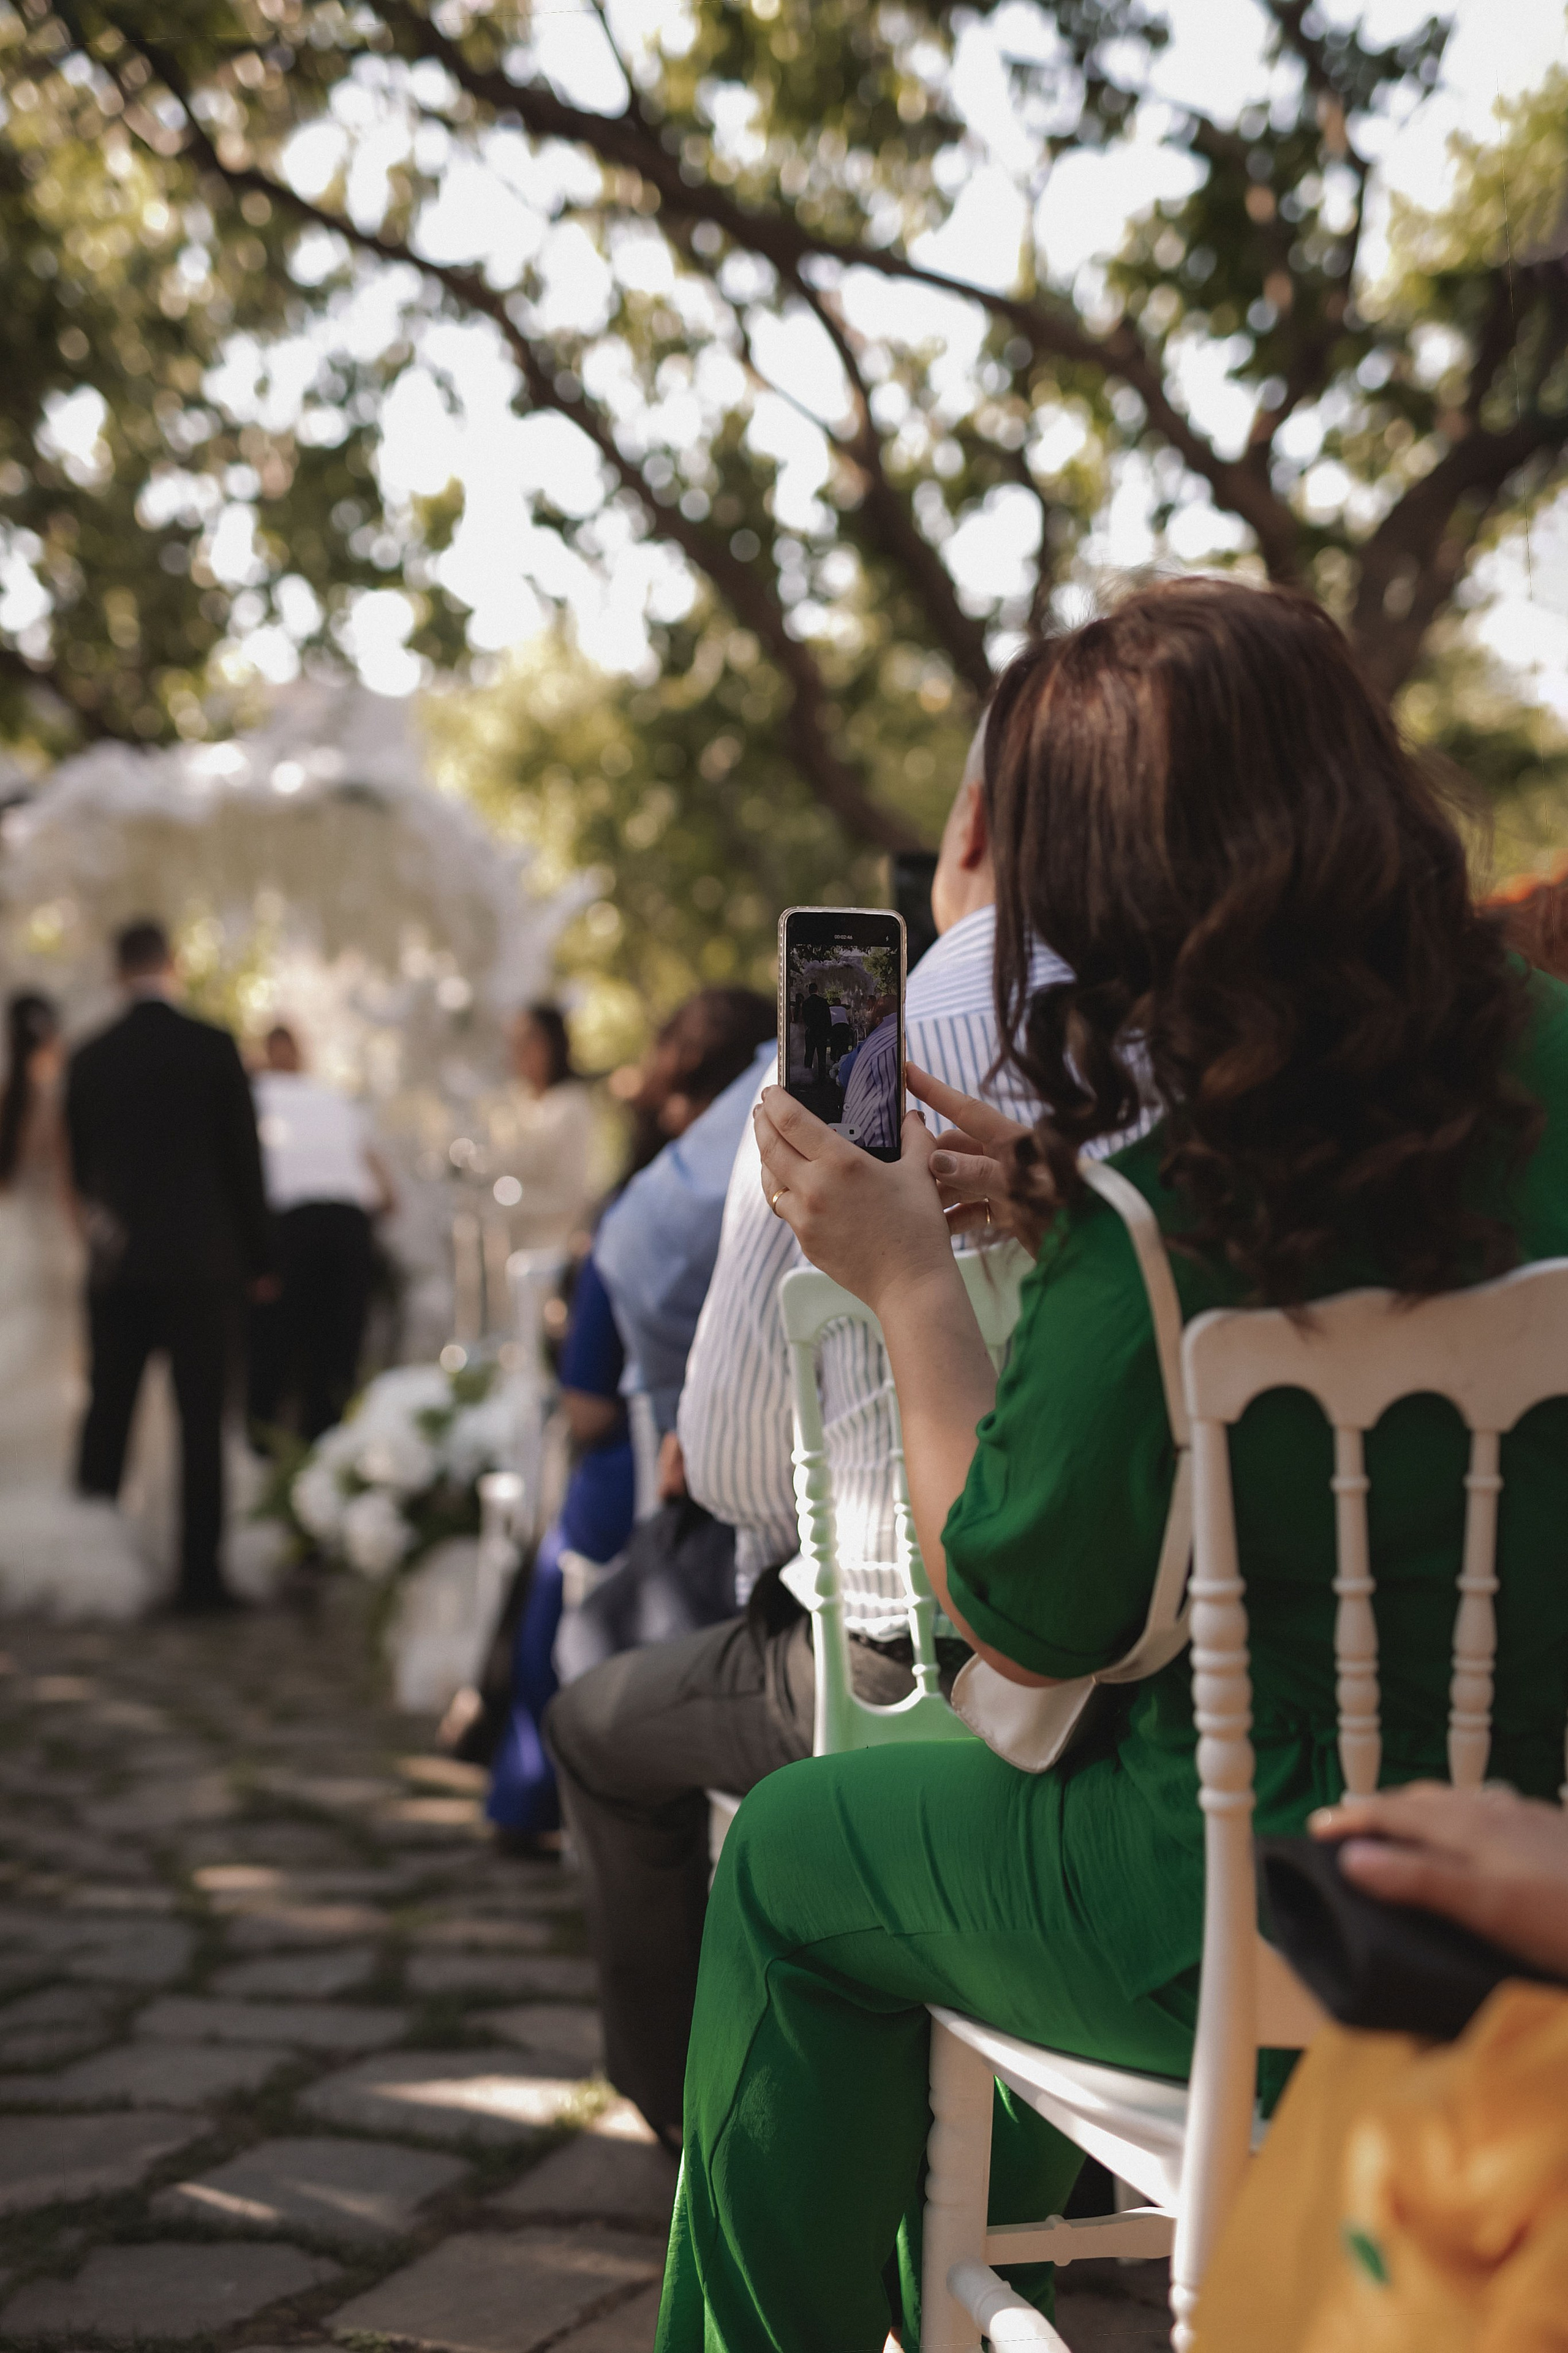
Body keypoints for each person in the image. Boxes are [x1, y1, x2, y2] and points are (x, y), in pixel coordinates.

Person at [656, 578, 1568, 2352]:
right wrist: (1075, 1215)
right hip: (1533, 1848)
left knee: (785, 1850)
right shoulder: (1521, 1063)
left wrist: (917, 1276)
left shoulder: (1180, 1184)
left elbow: (1030, 1620)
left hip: (1227, 1904)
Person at [546, 727, 1071, 2150]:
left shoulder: (882, 1044)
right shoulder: (1250, 1049)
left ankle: (687, 2129)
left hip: (927, 1647)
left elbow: (724, 1463)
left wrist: (900, 1277)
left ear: (966, 826)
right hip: (1217, 1660)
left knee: (594, 1723)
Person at [485, 988, 775, 1846]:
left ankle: (524, 1794)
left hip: (675, 1497)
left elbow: (586, 1408)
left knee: (565, 1592)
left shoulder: (643, 1213)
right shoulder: (809, 1163)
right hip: (798, 1510)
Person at [67, 920, 272, 1615]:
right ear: (172, 966)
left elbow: (78, 1169)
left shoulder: (90, 1055)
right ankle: (200, 1578)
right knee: (200, 1425)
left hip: (118, 1265)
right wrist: (260, 1259)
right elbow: (245, 1163)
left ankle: (90, 1573)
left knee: (107, 1418)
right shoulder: (213, 1048)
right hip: (201, 1264)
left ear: (117, 969)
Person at [0, 992, 148, 1619]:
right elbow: (68, 1183)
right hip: (52, 1247)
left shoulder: (6, 1099)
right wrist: (90, 1241)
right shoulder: (53, 1099)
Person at [248, 1024, 393, 1443]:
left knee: (298, 1344)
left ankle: (297, 1449)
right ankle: (307, 1445)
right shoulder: (323, 1098)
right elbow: (380, 1178)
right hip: (330, 1223)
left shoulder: (316, 1097)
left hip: (308, 1224)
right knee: (320, 1346)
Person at [490, 1003, 597, 1253]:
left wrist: (508, 1202)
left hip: (550, 1249)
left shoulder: (571, 1107)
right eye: (515, 1042)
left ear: (552, 1044)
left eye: (529, 1041)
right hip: (507, 1245)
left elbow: (571, 1193)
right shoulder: (512, 1104)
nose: (519, 1051)